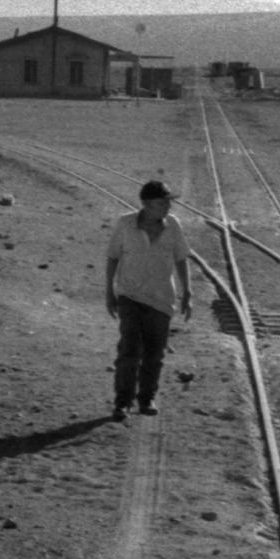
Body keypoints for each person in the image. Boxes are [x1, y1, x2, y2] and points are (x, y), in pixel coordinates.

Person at [104, 179, 193, 419]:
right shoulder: (125, 224)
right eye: (162, 203)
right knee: (129, 351)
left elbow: (181, 258)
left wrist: (188, 292)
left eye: (168, 202)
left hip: (162, 299)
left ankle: (146, 399)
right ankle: (122, 402)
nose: (167, 207)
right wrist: (109, 292)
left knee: (154, 354)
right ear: (146, 204)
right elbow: (112, 257)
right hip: (130, 296)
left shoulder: (173, 225)